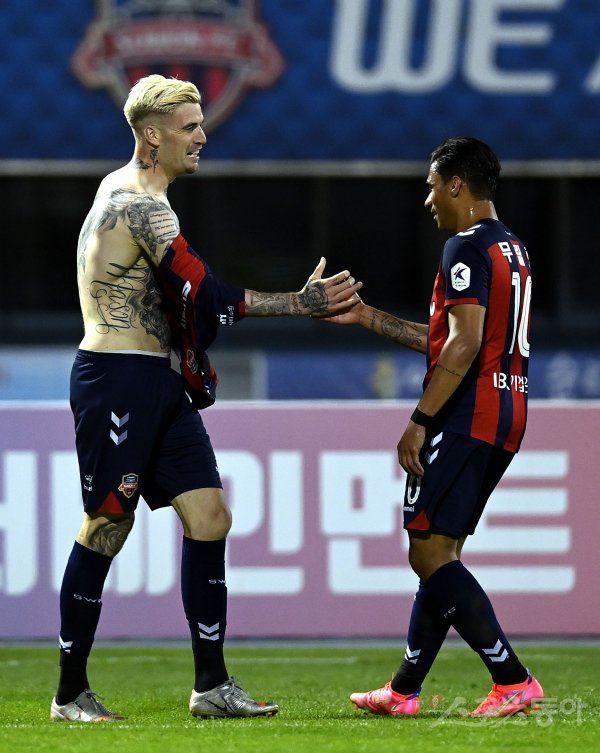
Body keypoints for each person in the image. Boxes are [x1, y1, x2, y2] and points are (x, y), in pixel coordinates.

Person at [50, 74, 362, 723]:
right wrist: (300, 303)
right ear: (151, 135)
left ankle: (211, 685)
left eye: (199, 124)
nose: (202, 135)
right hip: (118, 377)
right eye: (189, 126)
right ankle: (69, 692)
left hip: (160, 381)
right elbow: (209, 294)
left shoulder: (138, 195)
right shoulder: (141, 204)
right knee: (107, 523)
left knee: (210, 516)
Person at [325, 137, 542, 718]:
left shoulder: (463, 246)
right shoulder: (512, 248)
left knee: (428, 551)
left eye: (431, 186)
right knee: (440, 550)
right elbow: (453, 341)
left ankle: (512, 679)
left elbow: (464, 345)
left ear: (455, 184)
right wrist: (367, 317)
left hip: (467, 413)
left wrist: (420, 420)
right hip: (509, 408)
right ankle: (404, 691)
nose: (427, 200)